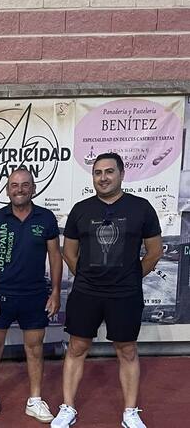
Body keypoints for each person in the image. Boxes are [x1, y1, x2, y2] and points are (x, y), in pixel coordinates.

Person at [51, 153, 163, 428]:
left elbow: (154, 251)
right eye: (97, 172)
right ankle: (67, 408)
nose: (103, 178)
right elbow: (69, 252)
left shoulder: (141, 208)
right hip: (86, 292)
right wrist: (87, 276)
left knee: (127, 350)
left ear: (121, 174)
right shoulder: (81, 209)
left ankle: (130, 412)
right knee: (77, 347)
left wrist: (131, 277)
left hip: (125, 294)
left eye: (109, 171)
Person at [0, 168, 62, 423]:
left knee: (34, 349)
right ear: (7, 190)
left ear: (33, 188)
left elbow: (55, 257)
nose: (20, 189)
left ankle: (35, 400)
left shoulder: (46, 218)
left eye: (25, 185)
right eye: (14, 185)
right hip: (0, 296)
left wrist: (56, 292)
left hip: (34, 295)